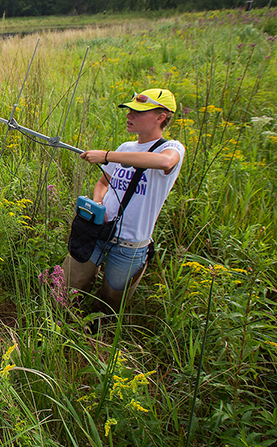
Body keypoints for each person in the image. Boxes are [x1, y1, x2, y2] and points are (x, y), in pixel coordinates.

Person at [62, 89, 185, 313]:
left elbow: (165, 163)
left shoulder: (172, 148)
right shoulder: (125, 148)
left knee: (112, 301)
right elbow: (102, 183)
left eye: (138, 112)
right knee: (68, 284)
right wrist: (98, 203)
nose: (130, 116)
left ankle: (97, 337)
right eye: (129, 111)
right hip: (97, 231)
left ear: (161, 117)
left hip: (130, 244)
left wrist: (107, 156)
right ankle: (60, 324)